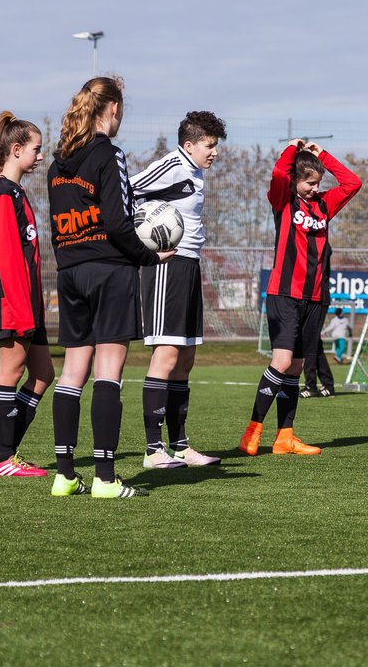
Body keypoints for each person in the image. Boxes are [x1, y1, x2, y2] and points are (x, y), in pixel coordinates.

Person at [47, 76, 174, 499]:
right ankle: (104, 477)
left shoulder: (56, 165)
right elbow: (119, 223)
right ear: (113, 109)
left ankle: (64, 475)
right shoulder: (110, 155)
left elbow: (56, 230)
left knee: (70, 373)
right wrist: (148, 257)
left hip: (70, 273)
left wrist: (70, 263)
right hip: (108, 271)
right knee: (109, 374)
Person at [238, 139, 362, 456]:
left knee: (296, 367)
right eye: (309, 182)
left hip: (315, 298)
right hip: (284, 294)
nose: (313, 188)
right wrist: (291, 149)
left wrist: (322, 155)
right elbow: (280, 173)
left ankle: (285, 437)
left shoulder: (323, 205)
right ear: (296, 181)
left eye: (317, 183)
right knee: (281, 361)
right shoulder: (283, 200)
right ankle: (253, 430)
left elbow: (353, 182)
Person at [129, 110, 228, 469]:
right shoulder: (173, 164)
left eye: (215, 145)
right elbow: (126, 189)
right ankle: (153, 450)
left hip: (189, 265)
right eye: (208, 145)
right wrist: (143, 237)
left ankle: (181, 446)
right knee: (167, 354)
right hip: (165, 267)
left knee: (186, 357)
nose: (214, 152)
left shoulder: (196, 172)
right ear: (189, 145)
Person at [0, 111, 51, 478]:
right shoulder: (2, 195)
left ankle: (8, 453)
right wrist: (24, 312)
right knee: (11, 370)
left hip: (28, 303)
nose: (41, 156)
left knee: (43, 373)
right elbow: (8, 260)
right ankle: (2, 458)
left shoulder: (15, 192)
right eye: (37, 150)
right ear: (16, 149)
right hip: (13, 303)